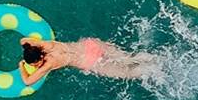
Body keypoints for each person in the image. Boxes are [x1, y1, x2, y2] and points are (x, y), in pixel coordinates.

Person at [18, 37, 160, 84]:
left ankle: (155, 71)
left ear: (41, 58)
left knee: (128, 73)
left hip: (92, 61)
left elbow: (28, 82)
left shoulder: (49, 64)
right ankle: (157, 58)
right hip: (91, 45)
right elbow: (22, 40)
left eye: (35, 63)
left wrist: (21, 66)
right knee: (128, 58)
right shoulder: (45, 44)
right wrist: (27, 47)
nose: (36, 66)